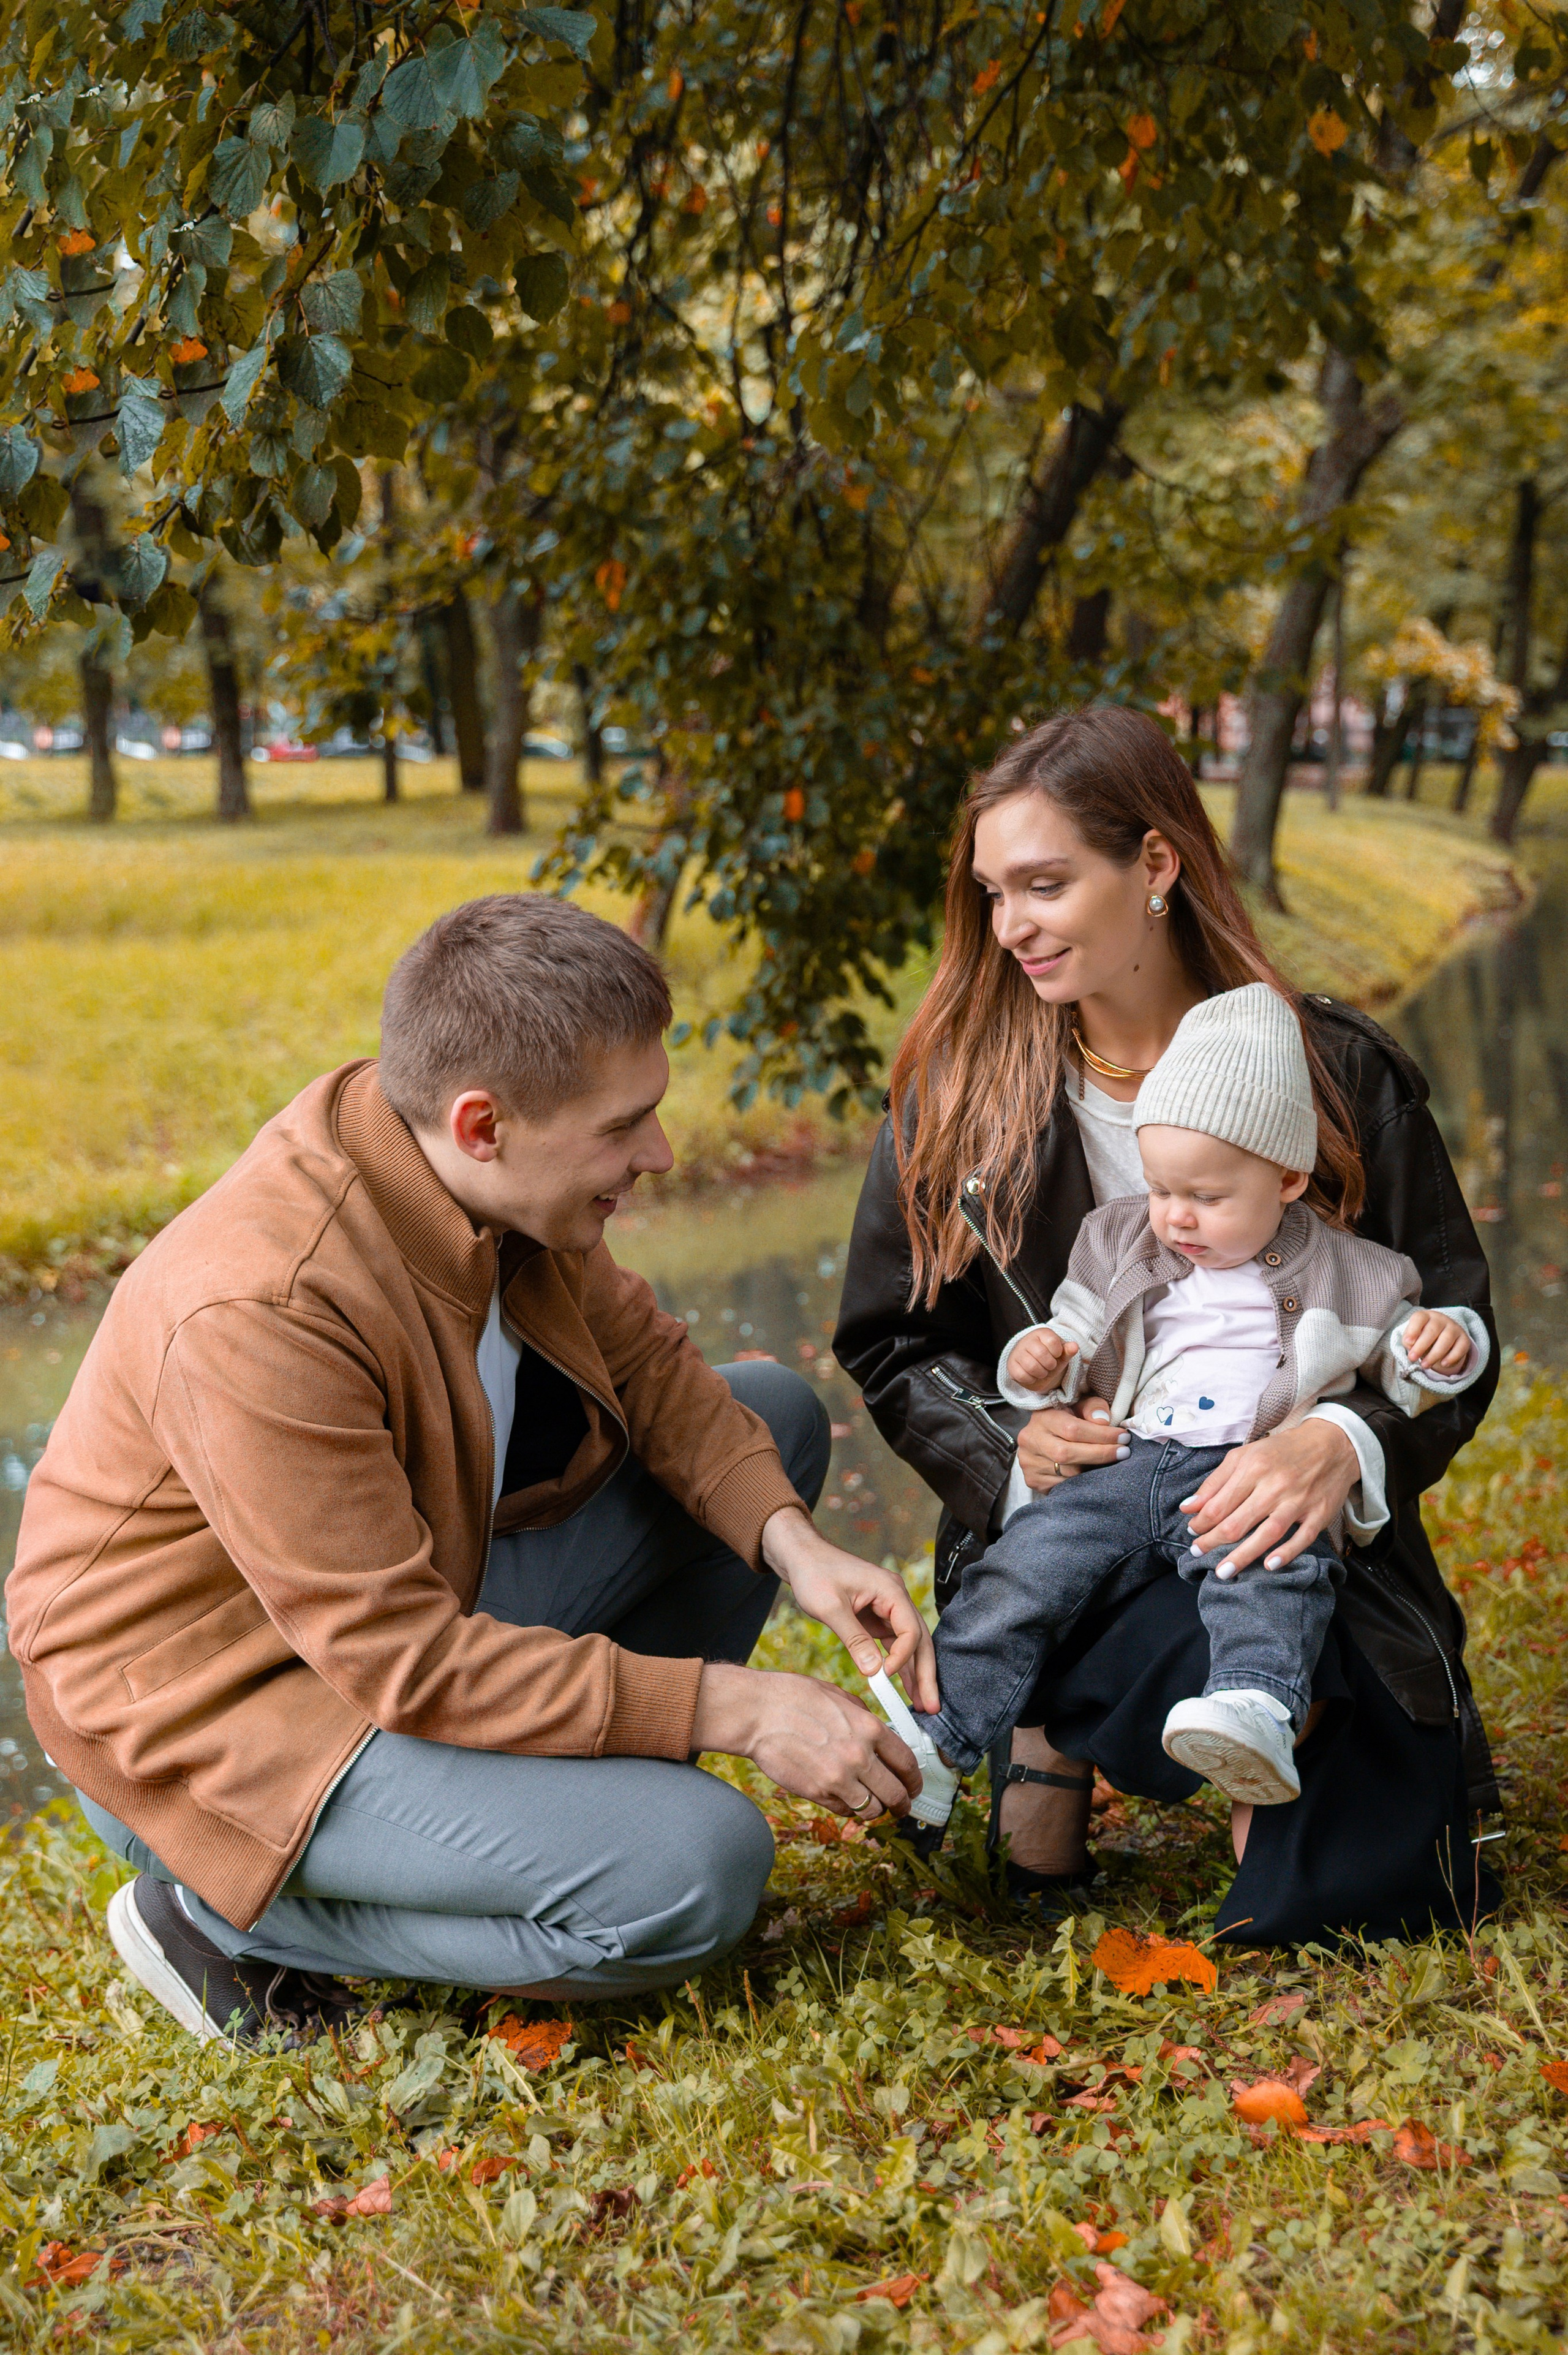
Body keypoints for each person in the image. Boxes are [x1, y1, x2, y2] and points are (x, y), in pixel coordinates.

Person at [10, 895, 937, 2044]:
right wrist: (736, 1709)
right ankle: (217, 1915)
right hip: (209, 1716)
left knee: (769, 1419)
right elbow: (400, 1659)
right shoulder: (263, 1307)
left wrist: (800, 1551)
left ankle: (540, 1818)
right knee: (697, 1872)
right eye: (623, 1128)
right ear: (483, 1123)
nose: (659, 1154)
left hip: (379, 1618)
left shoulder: (459, 1170)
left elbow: (648, 1365)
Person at [834, 706, 1503, 1946]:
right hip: (1084, 1530)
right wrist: (1010, 1447)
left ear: (1154, 864)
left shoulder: (1333, 1070)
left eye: (1044, 882)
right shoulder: (955, 1093)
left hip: (1295, 1546)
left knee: (1358, 1901)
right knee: (1077, 1586)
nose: (1010, 924)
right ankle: (1058, 1726)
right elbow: (890, 1339)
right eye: (991, 891)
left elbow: (1452, 1320)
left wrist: (1339, 1444)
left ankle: (1276, 1721)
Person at [903, 983, 1488, 1831]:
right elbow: (1073, 1329)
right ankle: (942, 1736)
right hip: (1131, 1459)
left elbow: (1405, 1355)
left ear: (1288, 1177)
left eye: (1207, 1197)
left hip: (1243, 1473)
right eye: (1160, 1187)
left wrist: (1437, 1345)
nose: (1176, 1216)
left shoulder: (1353, 1271)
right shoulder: (1121, 1238)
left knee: (1270, 1575)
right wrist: (1040, 1368)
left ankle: (1252, 1708)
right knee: (1027, 1568)